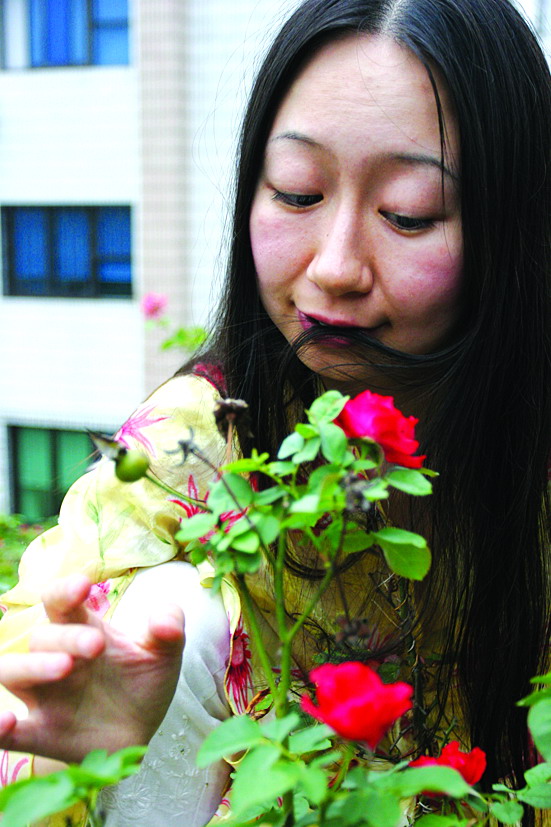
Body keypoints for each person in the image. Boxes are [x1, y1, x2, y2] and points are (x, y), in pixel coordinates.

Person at [0, 0, 549, 824]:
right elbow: (28, 660)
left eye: (406, 212)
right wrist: (78, 743)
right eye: (296, 193)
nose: (334, 267)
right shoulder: (194, 445)